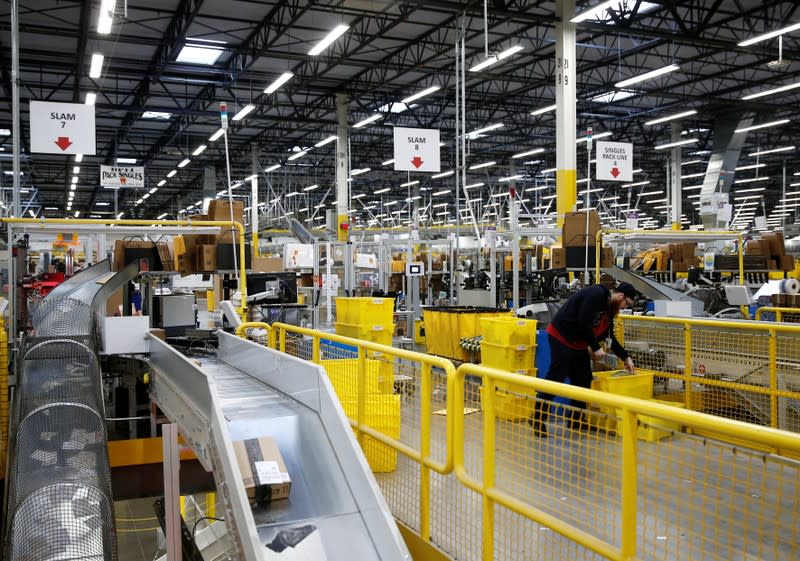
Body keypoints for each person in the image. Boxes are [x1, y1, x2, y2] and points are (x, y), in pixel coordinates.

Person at [531, 281, 638, 437]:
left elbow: (610, 338)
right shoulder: (595, 295)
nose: (624, 307)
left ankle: (576, 421)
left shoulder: (609, 310)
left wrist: (626, 357)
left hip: (578, 344)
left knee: (583, 380)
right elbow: (583, 323)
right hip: (561, 338)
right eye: (625, 303)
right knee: (555, 379)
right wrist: (595, 347)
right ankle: (537, 419)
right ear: (620, 295)